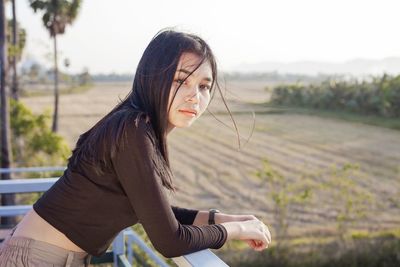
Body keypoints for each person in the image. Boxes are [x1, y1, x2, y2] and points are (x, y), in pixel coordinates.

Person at [0, 29, 271, 267]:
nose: (195, 96)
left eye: (204, 86)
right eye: (180, 81)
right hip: (35, 258)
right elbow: (170, 241)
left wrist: (220, 218)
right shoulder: (132, 129)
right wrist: (235, 230)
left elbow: (154, 211)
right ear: (153, 79)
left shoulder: (139, 129)